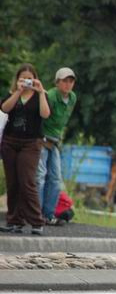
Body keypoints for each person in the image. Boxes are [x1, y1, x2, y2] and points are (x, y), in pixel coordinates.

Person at [0, 63, 51, 235]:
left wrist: (41, 91)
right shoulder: (13, 94)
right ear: (18, 79)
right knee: (12, 182)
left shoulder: (39, 96)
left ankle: (37, 221)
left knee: (27, 181)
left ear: (35, 79)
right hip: (10, 141)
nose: (27, 82)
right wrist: (18, 91)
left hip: (31, 143)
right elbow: (4, 108)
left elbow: (45, 114)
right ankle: (15, 220)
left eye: (30, 79)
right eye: (23, 79)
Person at [37, 67, 77, 225]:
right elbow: (41, 117)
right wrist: (40, 138)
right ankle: (36, 213)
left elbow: (62, 122)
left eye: (71, 81)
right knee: (40, 176)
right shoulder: (50, 96)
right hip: (42, 138)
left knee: (55, 178)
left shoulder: (72, 98)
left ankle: (49, 213)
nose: (68, 84)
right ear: (57, 82)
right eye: (64, 81)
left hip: (55, 140)